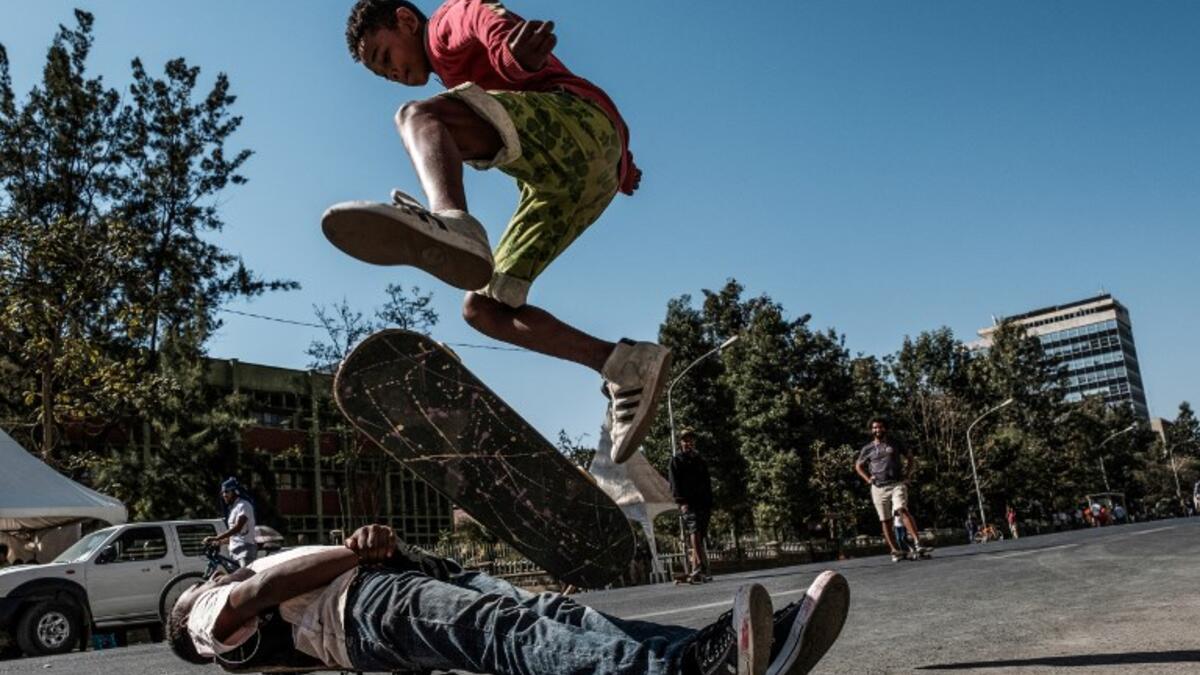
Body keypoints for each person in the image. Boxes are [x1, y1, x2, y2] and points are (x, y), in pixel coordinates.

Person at [326, 0, 669, 464]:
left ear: (406, 21)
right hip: (573, 182)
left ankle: (452, 219)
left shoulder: (446, 23)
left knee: (417, 117)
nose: (392, 74)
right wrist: (622, 169)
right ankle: (623, 365)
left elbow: (487, 22)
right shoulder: (449, 74)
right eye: (381, 75)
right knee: (483, 308)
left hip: (581, 125)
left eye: (386, 57)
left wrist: (512, 55)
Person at [166, 524, 851, 675]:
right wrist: (357, 552)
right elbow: (250, 597)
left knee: (553, 617)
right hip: (368, 606)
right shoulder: (201, 613)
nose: (212, 575)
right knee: (510, 632)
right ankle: (690, 670)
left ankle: (724, 648)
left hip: (383, 597)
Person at [854, 417, 930, 562]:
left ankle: (918, 543)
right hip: (878, 488)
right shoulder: (868, 448)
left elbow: (910, 458)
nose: (878, 430)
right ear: (871, 430)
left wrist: (907, 476)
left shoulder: (895, 443)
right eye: (875, 427)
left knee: (902, 509)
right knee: (885, 520)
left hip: (896, 484)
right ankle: (895, 550)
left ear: (885, 428)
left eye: (880, 427)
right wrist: (868, 479)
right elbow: (858, 466)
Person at [669, 428, 714, 582]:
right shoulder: (676, 460)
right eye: (685, 440)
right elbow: (674, 483)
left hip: (703, 502)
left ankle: (696, 570)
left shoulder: (700, 460)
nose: (689, 443)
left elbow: (707, 482)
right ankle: (701, 564)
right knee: (694, 529)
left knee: (701, 533)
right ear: (681, 443)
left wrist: (710, 501)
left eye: (691, 440)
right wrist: (681, 502)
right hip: (688, 503)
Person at [204, 477, 258, 568]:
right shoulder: (233, 508)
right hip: (233, 552)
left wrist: (216, 537)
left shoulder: (244, 505)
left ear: (235, 492)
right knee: (233, 581)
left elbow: (238, 528)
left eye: (227, 492)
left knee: (245, 579)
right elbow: (235, 536)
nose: (224, 495)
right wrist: (219, 542)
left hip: (245, 551)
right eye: (223, 493)